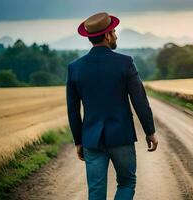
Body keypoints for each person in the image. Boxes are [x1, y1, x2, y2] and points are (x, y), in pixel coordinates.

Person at [66, 12, 158, 200]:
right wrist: (150, 131)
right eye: (114, 32)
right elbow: (139, 99)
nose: (116, 35)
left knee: (96, 191)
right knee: (126, 183)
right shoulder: (125, 62)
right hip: (121, 136)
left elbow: (72, 109)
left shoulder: (75, 67)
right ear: (107, 35)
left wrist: (78, 141)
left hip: (91, 139)